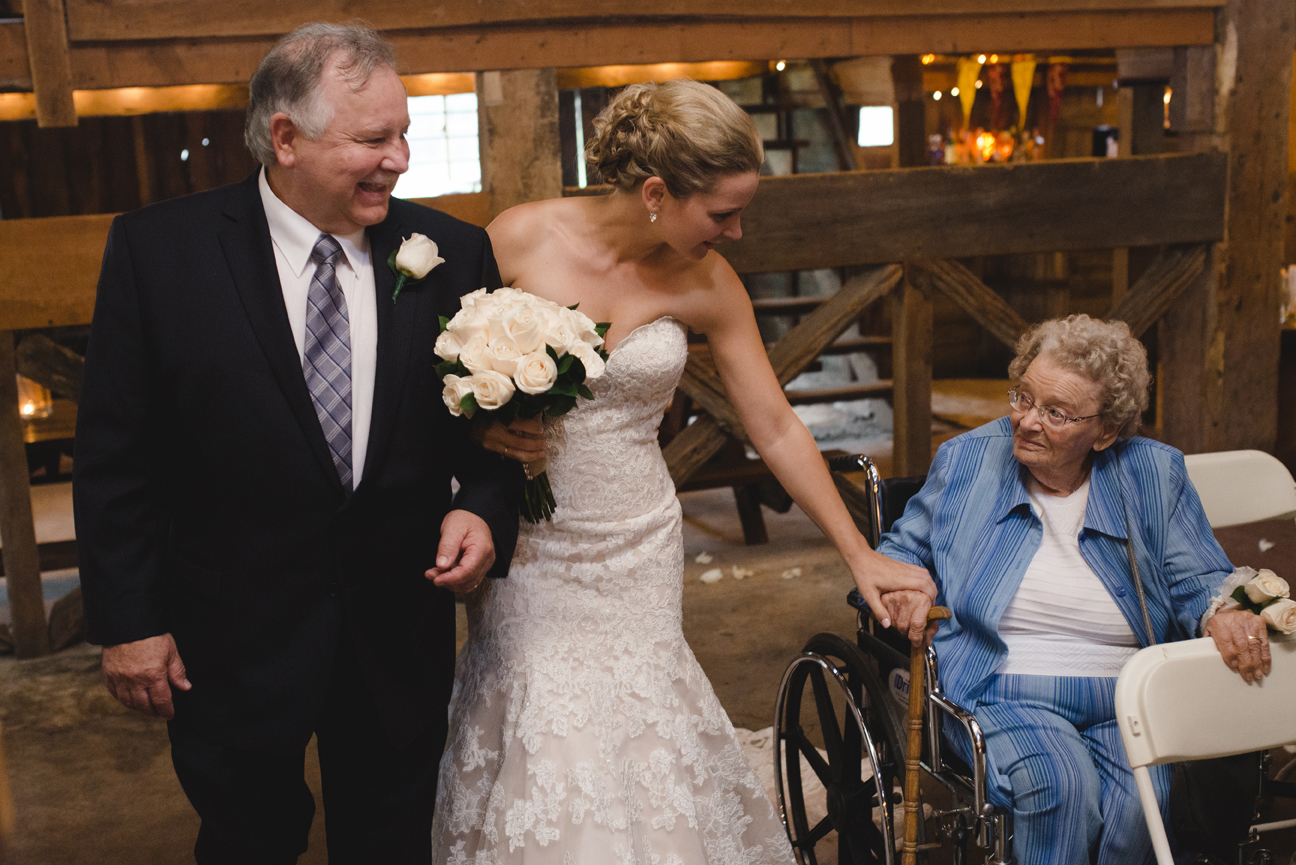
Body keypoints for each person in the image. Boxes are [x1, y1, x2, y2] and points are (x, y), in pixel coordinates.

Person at [429, 79, 937, 863]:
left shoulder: (707, 280)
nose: (736, 231)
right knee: (547, 715)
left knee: (641, 724)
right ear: (657, 193)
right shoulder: (520, 238)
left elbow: (774, 425)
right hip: (533, 544)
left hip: (638, 539)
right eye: (722, 213)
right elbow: (440, 369)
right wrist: (483, 430)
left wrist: (857, 551)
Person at [73, 23, 520, 864]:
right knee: (248, 843)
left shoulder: (453, 253)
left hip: (396, 633)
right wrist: (129, 622)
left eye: (404, 135)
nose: (399, 160)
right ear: (285, 138)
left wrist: (487, 511)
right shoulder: (159, 253)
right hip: (229, 639)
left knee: (392, 845)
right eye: (373, 139)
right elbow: (115, 457)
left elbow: (493, 437)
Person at [874, 314, 1270, 865]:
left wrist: (1220, 612)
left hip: (1130, 690)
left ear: (1105, 432)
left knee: (1145, 801)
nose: (1027, 421)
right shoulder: (967, 459)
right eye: (1024, 398)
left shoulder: (1155, 473)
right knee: (1060, 786)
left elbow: (1198, 578)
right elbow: (899, 551)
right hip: (1001, 685)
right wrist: (905, 588)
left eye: (1055, 413)